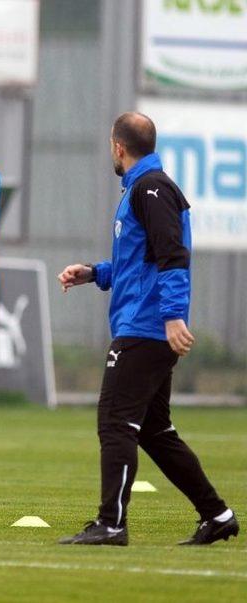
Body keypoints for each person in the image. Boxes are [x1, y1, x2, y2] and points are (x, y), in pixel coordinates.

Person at [56, 112, 239, 546]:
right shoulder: (146, 189)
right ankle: (217, 515)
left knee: (115, 422)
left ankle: (111, 524)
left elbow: (171, 254)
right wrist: (94, 274)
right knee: (154, 431)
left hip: (145, 328)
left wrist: (173, 315)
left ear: (118, 146)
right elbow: (138, 264)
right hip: (149, 325)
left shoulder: (149, 189)